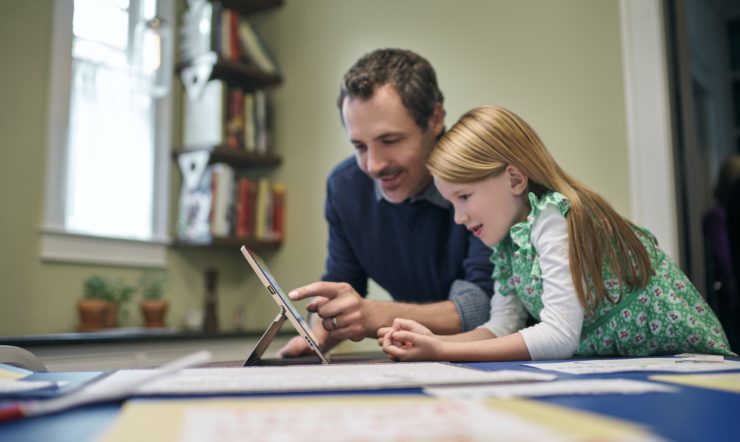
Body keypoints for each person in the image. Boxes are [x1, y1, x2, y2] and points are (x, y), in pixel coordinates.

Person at [382, 105, 733, 362]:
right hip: (638, 363)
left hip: (688, 361)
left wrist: (445, 350)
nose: (459, 218)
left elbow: (559, 337)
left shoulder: (552, 218)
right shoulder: (508, 241)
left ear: (515, 179)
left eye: (464, 197)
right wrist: (436, 344)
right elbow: (504, 324)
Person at [278, 49, 495, 358]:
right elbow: (342, 279)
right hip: (420, 361)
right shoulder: (346, 187)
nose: (375, 165)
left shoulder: (482, 175)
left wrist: (374, 315)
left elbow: (485, 304)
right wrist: (319, 334)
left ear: (434, 119)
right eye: (359, 146)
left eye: (390, 141)